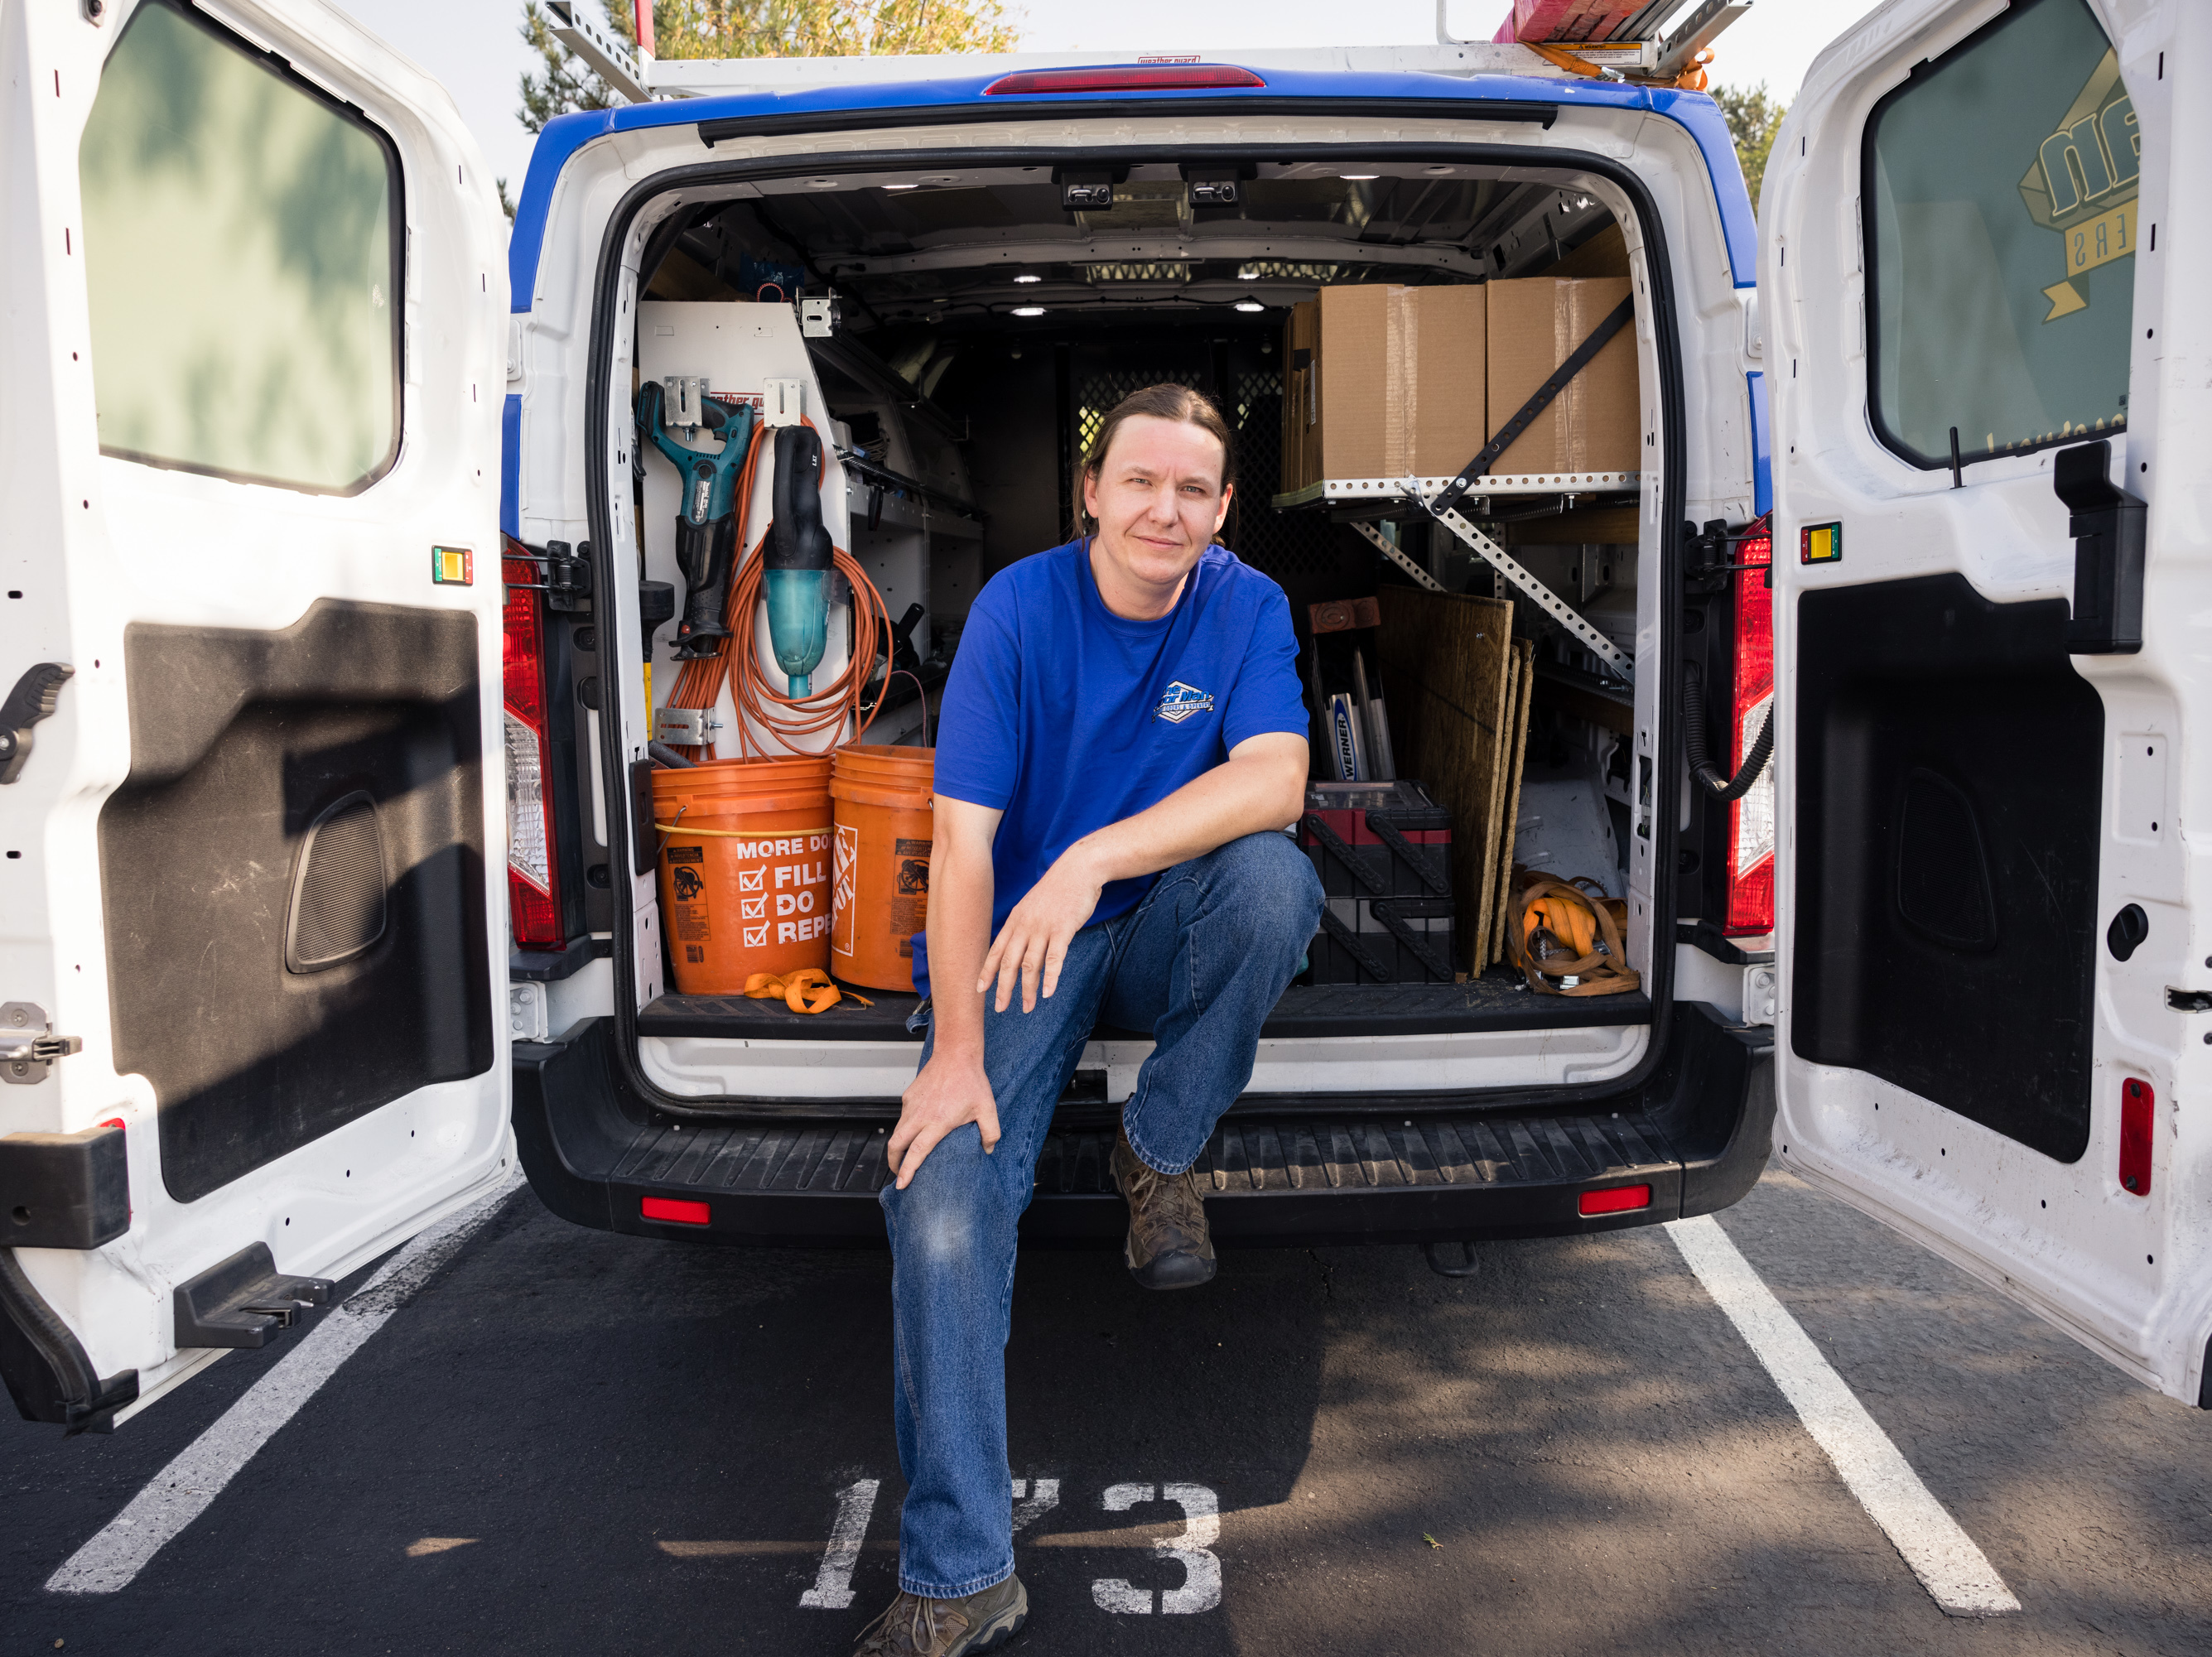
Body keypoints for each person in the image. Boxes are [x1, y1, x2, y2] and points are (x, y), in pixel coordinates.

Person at [853, 383, 1323, 1656]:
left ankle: (1157, 1152)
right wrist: (955, 1056)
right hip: (1020, 943)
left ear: (1223, 511)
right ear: (1093, 494)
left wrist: (1094, 857)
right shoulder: (1017, 610)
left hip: (1153, 917)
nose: (1162, 510)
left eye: (1191, 490)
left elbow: (1277, 780)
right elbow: (960, 851)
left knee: (1277, 884)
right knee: (942, 1194)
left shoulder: (1247, 607)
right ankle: (962, 1573)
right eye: (1139, 482)